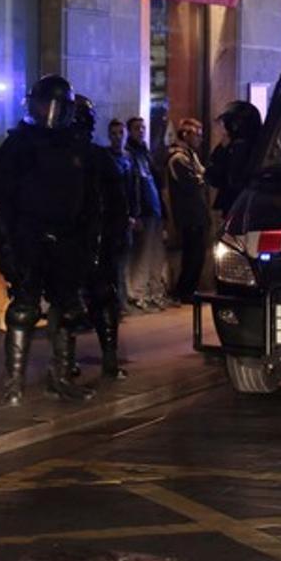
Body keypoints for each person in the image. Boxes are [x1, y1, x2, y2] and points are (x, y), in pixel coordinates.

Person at [0, 75, 98, 405]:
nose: (50, 113)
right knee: (24, 309)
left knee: (66, 307)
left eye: (57, 107)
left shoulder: (75, 146)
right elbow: (1, 199)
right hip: (28, 235)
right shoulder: (19, 145)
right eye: (46, 105)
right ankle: (13, 382)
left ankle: (60, 376)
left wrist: (89, 242)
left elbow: (90, 200)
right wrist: (7, 243)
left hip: (67, 238)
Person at [72, 98, 130, 379]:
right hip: (65, 239)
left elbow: (117, 203)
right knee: (71, 300)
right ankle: (68, 362)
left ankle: (107, 358)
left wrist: (114, 237)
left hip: (94, 237)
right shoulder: (50, 152)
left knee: (101, 299)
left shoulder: (97, 158)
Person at [125, 116, 168, 311]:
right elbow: (133, 186)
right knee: (141, 255)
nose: (141, 131)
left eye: (142, 127)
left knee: (154, 254)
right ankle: (138, 293)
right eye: (136, 128)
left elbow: (155, 183)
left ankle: (153, 291)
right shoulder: (130, 154)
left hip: (154, 207)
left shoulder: (145, 153)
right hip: (144, 209)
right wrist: (135, 213)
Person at [167, 118, 209, 307]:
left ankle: (190, 289)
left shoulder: (191, 155)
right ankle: (184, 290)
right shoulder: (178, 158)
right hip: (188, 213)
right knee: (191, 253)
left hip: (197, 211)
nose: (200, 139)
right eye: (197, 135)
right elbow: (193, 182)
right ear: (186, 135)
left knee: (198, 253)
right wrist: (201, 177)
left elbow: (203, 174)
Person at [206, 101, 263, 216]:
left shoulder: (236, 147)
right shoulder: (263, 144)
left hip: (236, 206)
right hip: (256, 205)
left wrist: (223, 149)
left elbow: (217, 176)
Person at [106, 118, 138, 312]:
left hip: (126, 217)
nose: (118, 137)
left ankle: (121, 299)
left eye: (121, 133)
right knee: (114, 261)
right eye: (114, 134)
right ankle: (117, 301)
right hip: (112, 217)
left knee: (123, 260)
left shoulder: (129, 158)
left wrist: (135, 214)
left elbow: (133, 189)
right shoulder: (107, 158)